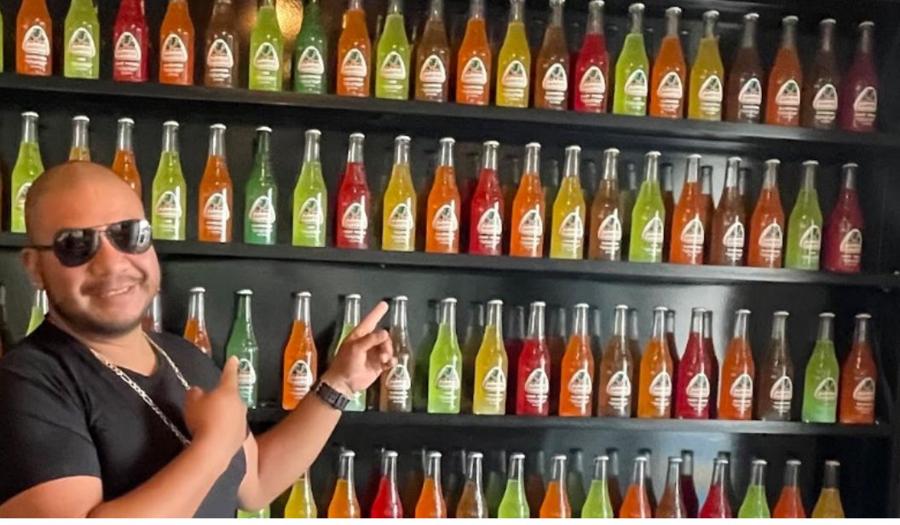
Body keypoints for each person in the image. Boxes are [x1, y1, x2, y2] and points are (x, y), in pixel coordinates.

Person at [0, 162, 395, 517]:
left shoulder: (183, 356)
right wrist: (213, 445)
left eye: (128, 234)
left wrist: (339, 384)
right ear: (34, 268)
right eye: (75, 244)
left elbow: (255, 481)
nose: (112, 263)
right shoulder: (26, 382)